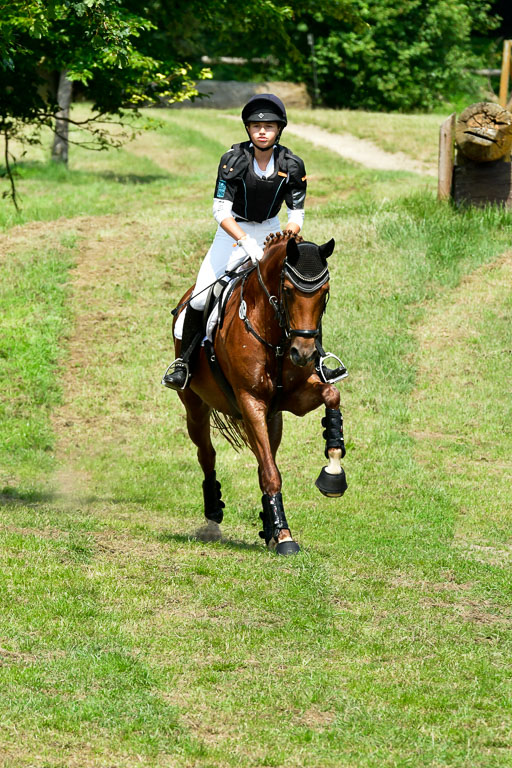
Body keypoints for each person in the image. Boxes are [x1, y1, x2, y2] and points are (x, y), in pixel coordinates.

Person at [162, 93, 343, 391]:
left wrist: (288, 236)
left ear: (279, 130)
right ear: (248, 128)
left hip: (273, 230)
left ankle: (320, 360)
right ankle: (184, 363)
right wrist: (245, 242)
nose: (262, 131)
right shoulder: (233, 160)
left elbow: (296, 213)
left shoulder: (292, 164)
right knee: (198, 299)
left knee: (302, 290)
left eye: (269, 126)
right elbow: (220, 211)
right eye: (256, 126)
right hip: (233, 232)